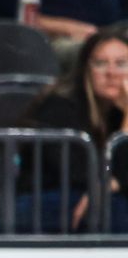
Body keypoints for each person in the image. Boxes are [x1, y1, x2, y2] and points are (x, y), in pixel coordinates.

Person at [15, 27, 128, 232]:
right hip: (47, 199)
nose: (112, 73)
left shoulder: (120, 111)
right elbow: (82, 174)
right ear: (86, 69)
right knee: (114, 209)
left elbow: (113, 180)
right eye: (100, 63)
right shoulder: (58, 107)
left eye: (121, 64)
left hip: (95, 197)